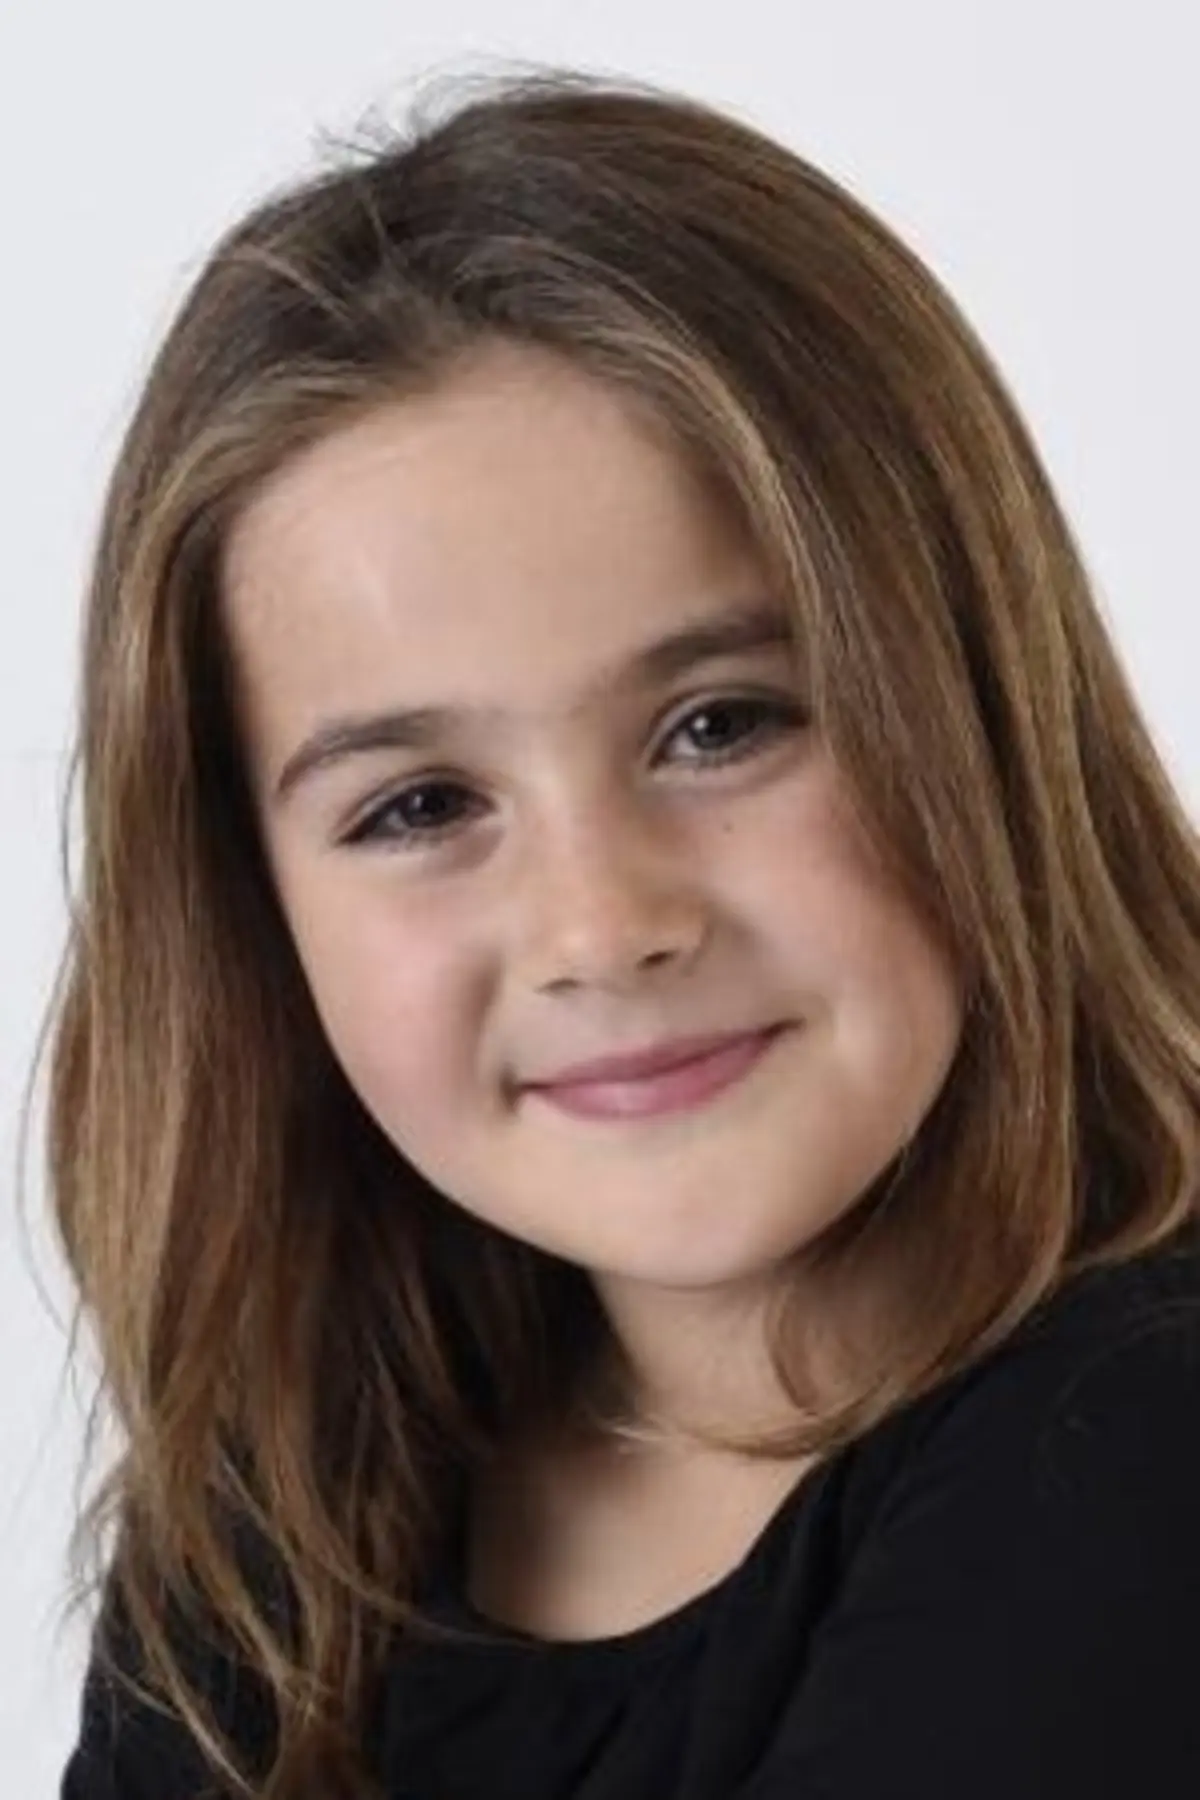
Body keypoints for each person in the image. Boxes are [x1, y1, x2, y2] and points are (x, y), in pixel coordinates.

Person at [45, 62, 1200, 1800]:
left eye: (720, 726)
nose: (601, 926)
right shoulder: (279, 1547)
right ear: (251, 921)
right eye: (420, 807)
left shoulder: (1136, 1444)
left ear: (978, 705)